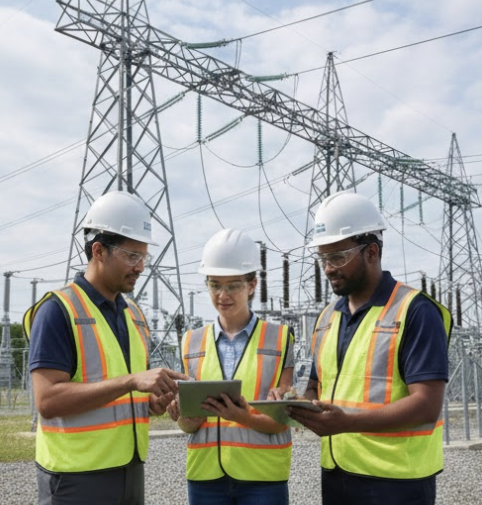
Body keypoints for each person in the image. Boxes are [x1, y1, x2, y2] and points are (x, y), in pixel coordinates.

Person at [278, 191, 452, 505]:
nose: (328, 268)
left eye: (337, 257)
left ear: (371, 252)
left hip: (397, 482)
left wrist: (347, 422)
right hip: (338, 475)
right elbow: (317, 387)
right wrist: (293, 403)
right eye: (323, 258)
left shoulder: (414, 311)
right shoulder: (327, 318)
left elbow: (427, 405)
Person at [24, 191, 188, 505]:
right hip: (75, 479)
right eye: (131, 256)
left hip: (129, 471)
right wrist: (132, 381)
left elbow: (122, 397)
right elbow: (47, 400)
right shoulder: (58, 310)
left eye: (144, 257)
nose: (141, 267)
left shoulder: (135, 316)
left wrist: (153, 401)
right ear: (99, 251)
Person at [167, 228, 294, 505]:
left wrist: (241, 415)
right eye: (214, 285)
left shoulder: (281, 339)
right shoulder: (191, 342)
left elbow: (284, 417)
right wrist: (181, 414)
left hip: (262, 477)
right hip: (205, 477)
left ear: (251, 285)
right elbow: (187, 426)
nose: (222, 295)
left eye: (233, 285)